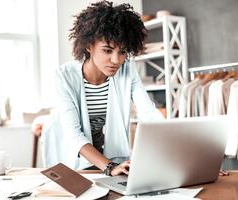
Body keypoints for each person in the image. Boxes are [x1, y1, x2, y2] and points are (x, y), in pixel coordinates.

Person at [42, 0, 164, 176]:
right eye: (107, 50)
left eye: (122, 52)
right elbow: (74, 134)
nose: (116, 60)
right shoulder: (64, 76)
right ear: (89, 46)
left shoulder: (127, 69)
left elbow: (149, 114)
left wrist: (184, 157)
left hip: (99, 140)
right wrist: (110, 166)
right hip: (68, 142)